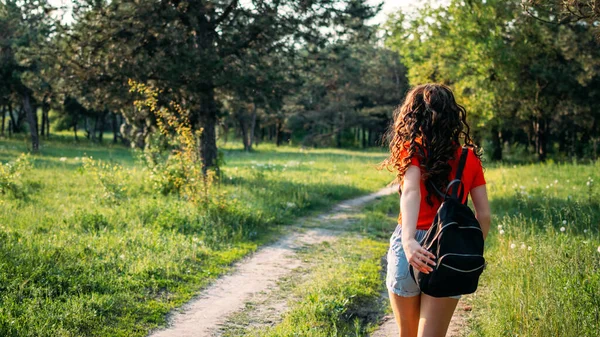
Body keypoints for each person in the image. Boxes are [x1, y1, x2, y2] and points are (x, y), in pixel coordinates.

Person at [378, 83, 491, 337]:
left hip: (412, 248)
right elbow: (484, 215)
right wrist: (468, 246)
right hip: (448, 248)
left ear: (412, 116)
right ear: (453, 116)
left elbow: (411, 191)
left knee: (407, 333)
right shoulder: (469, 158)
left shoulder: (413, 150)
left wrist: (408, 241)